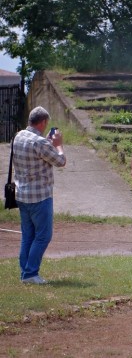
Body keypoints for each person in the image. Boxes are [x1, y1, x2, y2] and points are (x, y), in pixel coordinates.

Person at [13, 106, 67, 284]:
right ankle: (31, 273)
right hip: (40, 195)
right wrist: (58, 145)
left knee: (28, 235)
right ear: (43, 122)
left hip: (22, 194)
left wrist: (47, 142)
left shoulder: (19, 136)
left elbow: (36, 149)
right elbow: (60, 161)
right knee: (43, 236)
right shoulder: (40, 143)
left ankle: (25, 272)